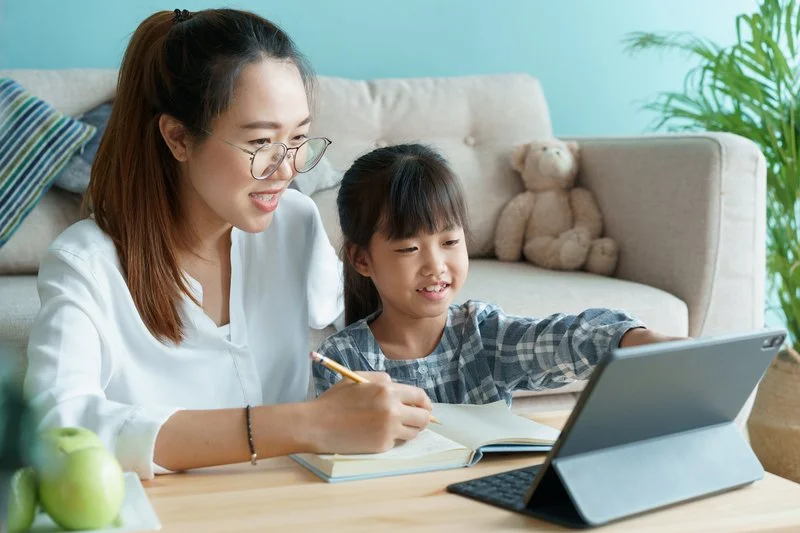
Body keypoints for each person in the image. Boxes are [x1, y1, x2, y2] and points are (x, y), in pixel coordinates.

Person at [23, 9, 435, 480]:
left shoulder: (294, 223)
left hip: (298, 494)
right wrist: (306, 423)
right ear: (178, 137)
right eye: (262, 143)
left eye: (298, 137)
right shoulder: (87, 264)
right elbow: (53, 429)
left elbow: (367, 322)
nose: (288, 169)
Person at [313, 144, 684, 403]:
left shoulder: (484, 335)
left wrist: (640, 339)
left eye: (450, 241)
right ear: (362, 260)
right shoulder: (345, 359)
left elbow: (567, 340)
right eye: (409, 248)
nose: (435, 266)